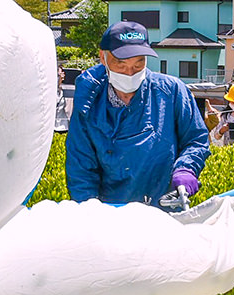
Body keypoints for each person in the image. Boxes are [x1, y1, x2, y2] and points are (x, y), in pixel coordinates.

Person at [65, 21, 209, 205]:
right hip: (112, 213)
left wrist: (186, 169)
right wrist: (90, 209)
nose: (130, 73)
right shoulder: (89, 103)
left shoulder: (171, 91)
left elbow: (196, 139)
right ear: (103, 58)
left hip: (165, 208)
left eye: (138, 64)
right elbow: (80, 167)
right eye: (121, 65)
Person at [54, 65, 70, 133]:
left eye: (63, 73)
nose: (62, 76)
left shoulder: (66, 90)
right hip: (53, 127)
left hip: (64, 126)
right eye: (59, 75)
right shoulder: (51, 92)